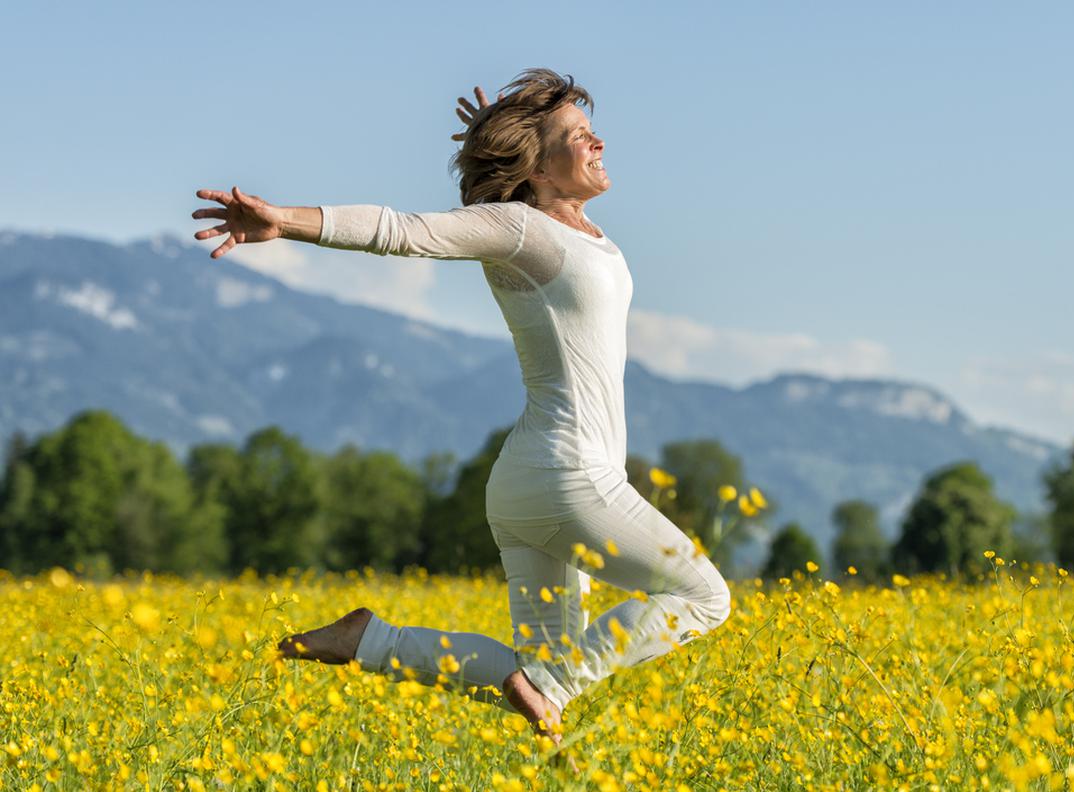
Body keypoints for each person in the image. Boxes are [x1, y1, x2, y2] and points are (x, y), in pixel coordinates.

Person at [191, 68, 732, 754]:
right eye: (577, 136)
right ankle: (556, 686)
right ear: (536, 165)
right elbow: (403, 231)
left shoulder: (576, 229)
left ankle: (371, 640)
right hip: (570, 477)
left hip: (534, 481)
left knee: (526, 679)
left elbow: (527, 167)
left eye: (591, 131)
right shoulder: (519, 229)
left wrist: (499, 129)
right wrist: (287, 222)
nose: (597, 143)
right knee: (703, 598)